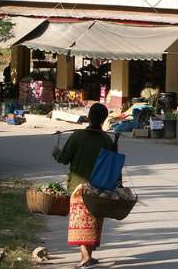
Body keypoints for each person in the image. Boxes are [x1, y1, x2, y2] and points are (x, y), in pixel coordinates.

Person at [54, 103, 114, 267]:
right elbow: (111, 166)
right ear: (104, 120)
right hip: (99, 190)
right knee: (93, 222)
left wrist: (56, 152)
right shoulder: (107, 140)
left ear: (88, 117)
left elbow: (63, 159)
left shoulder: (78, 136)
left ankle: (86, 257)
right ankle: (88, 256)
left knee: (81, 222)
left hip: (77, 188)